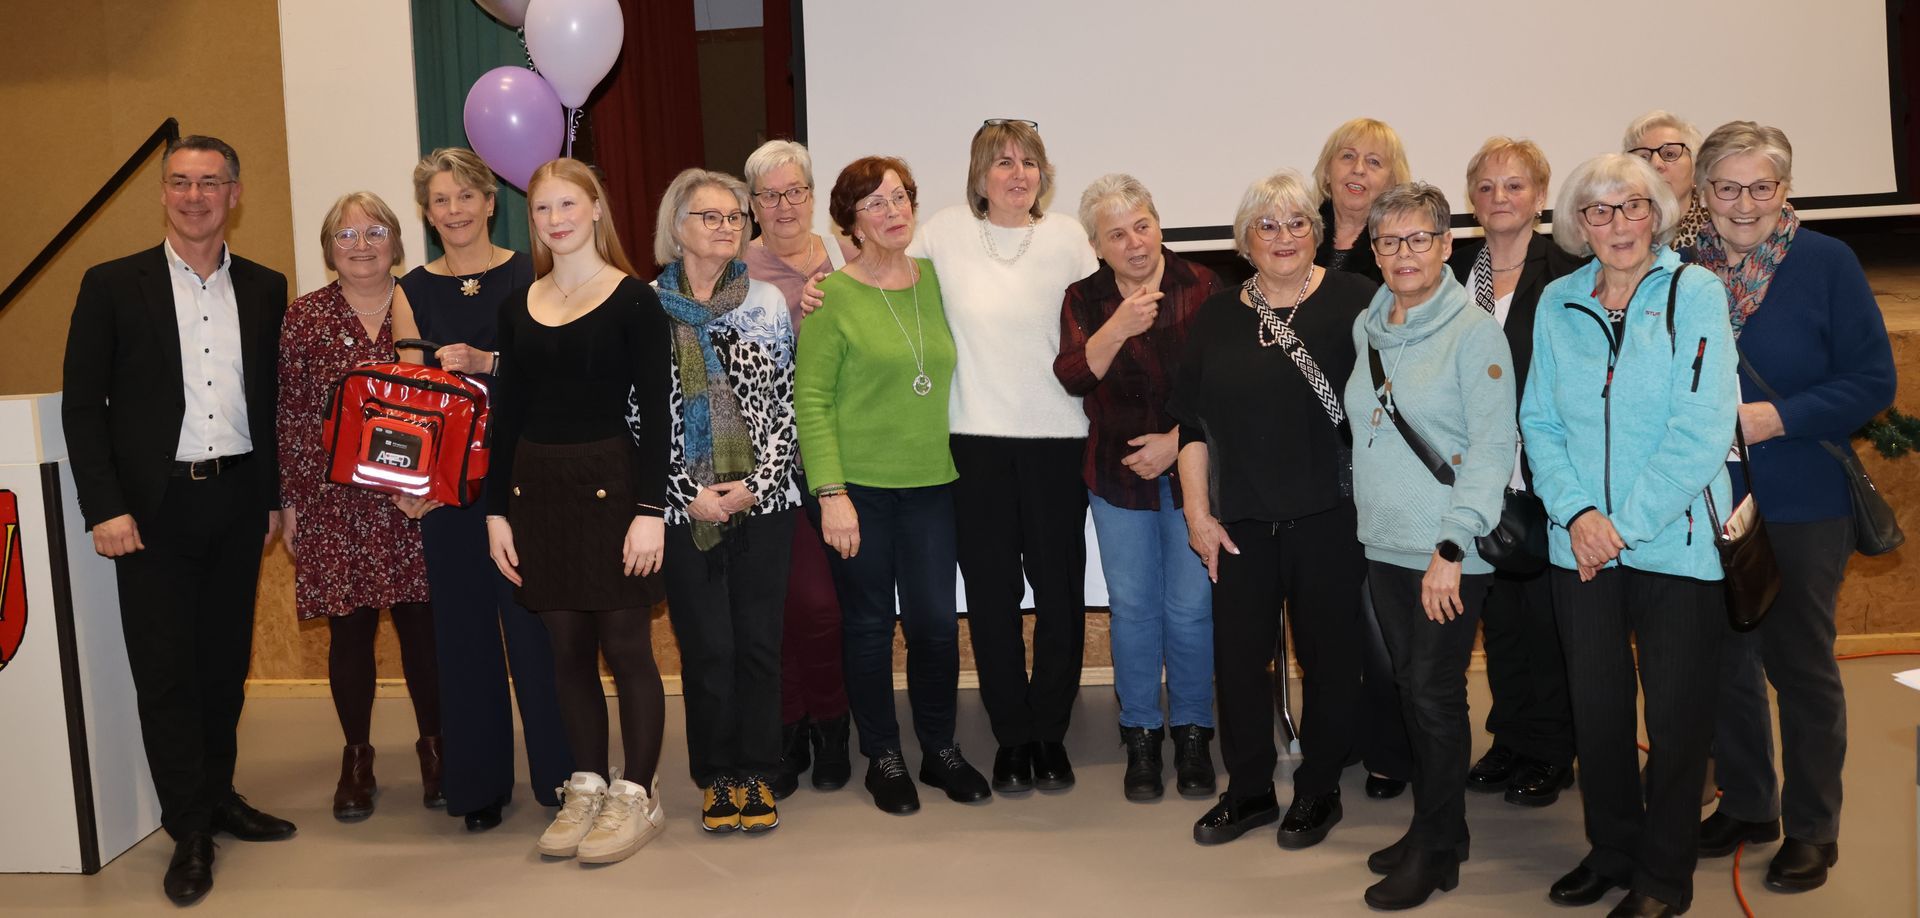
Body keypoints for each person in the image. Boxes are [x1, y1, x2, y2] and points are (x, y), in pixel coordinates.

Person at [61, 133, 296, 905]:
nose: (195, 196)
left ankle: (218, 795)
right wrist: (106, 506)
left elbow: (269, 402)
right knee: (166, 674)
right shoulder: (111, 285)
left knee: (223, 666)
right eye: (181, 182)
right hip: (151, 511)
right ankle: (188, 829)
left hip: (236, 502)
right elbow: (83, 407)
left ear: (235, 194)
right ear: (164, 193)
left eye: (211, 182)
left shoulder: (265, 286)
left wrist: (271, 496)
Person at [1523, 153, 1738, 918]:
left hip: (1675, 542)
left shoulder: (1694, 292)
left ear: (1657, 214)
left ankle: (1663, 879)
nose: (1618, 224)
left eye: (1633, 206)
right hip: (1578, 546)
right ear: (1579, 224)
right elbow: (1539, 420)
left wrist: (1621, 526)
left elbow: (1701, 429)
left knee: (1677, 721)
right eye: (1599, 210)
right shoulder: (1556, 301)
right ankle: (1612, 849)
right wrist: (1578, 514)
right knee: (1599, 712)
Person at [1689, 122, 1897, 894]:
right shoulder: (1680, 268)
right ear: (1703, 193)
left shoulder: (1825, 262)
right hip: (1708, 500)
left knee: (1800, 667)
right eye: (1728, 188)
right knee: (1722, 662)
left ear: (1785, 190)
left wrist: (1776, 418)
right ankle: (1749, 804)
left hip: (1805, 499)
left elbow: (1873, 381)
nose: (1744, 204)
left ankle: (1813, 829)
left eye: (1761, 187)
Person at [1167, 169, 1373, 851]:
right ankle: (1249, 789)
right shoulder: (1218, 315)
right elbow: (1192, 426)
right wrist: (1197, 515)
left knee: (1330, 659)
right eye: (1267, 225)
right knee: (1238, 662)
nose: (1283, 237)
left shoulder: (1357, 301)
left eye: (1297, 223)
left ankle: (1318, 789)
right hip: (1240, 525)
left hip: (1331, 516)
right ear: (1245, 240)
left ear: (1317, 232)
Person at [485, 158, 672, 865]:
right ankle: (588, 784)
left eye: (568, 204)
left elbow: (659, 416)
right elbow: (506, 418)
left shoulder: (634, 300)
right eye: (542, 209)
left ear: (595, 209)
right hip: (537, 492)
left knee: (626, 649)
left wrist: (650, 510)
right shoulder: (516, 306)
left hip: (611, 488)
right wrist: (495, 513)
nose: (556, 219)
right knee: (565, 650)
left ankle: (639, 793)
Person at [908, 119, 1098, 793]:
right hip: (974, 444)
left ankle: (1050, 732)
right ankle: (1012, 735)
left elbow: (1105, 323)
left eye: (1029, 162)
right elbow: (885, 284)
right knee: (992, 597)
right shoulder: (943, 232)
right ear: (980, 175)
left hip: (1059, 441)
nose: (1019, 174)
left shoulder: (1069, 237)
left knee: (1060, 595)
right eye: (1004, 163)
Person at [795, 155, 990, 814]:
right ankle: (882, 754)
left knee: (935, 625)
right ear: (850, 223)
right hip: (858, 491)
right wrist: (831, 495)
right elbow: (812, 402)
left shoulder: (937, 281)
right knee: (870, 627)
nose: (893, 210)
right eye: (874, 202)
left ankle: (939, 749)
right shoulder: (831, 298)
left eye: (901, 196)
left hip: (932, 484)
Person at [1343, 182, 1517, 910]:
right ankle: (1436, 828)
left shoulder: (1473, 332)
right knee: (1411, 692)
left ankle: (1438, 852)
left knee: (1434, 696)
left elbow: (1493, 447)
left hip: (1447, 552)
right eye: (1389, 241)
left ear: (1447, 246)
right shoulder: (1369, 326)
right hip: (1384, 544)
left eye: (1419, 239)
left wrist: (1451, 546)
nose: (1403, 253)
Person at [395, 147, 573, 832]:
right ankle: (477, 787)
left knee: (538, 628)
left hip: (529, 477)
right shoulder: (412, 290)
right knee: (463, 635)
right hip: (449, 489)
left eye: (466, 196)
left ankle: (564, 777)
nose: (455, 210)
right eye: (440, 200)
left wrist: (488, 362)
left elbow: (555, 371)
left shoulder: (534, 272)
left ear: (491, 202)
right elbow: (408, 402)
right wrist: (415, 482)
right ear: (426, 212)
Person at [275, 192, 442, 822]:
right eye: (346, 235)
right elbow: (291, 415)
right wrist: (292, 504)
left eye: (375, 232)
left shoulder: (424, 302)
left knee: (423, 631)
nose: (362, 245)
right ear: (328, 249)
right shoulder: (305, 317)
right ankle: (356, 758)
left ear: (396, 241)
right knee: (349, 634)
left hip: (415, 503)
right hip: (334, 503)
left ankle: (437, 750)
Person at [1054, 174, 1220, 802]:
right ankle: (1142, 733)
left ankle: (1194, 731)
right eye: (1117, 234)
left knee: (1191, 608)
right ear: (1097, 246)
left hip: (1193, 468)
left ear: (1159, 223)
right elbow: (1075, 374)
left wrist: (1175, 441)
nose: (1135, 243)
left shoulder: (1201, 285)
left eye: (1142, 226)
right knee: (1132, 610)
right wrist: (1119, 325)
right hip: (1115, 478)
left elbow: (1226, 382)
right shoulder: (1084, 297)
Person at [651, 167, 802, 834]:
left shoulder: (765, 301)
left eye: (734, 217)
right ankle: (717, 776)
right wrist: (688, 494)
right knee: (708, 648)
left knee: (759, 644)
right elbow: (637, 419)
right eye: (709, 216)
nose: (725, 227)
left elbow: (786, 404)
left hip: (764, 503)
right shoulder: (644, 307)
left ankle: (759, 771)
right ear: (677, 227)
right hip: (684, 509)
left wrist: (756, 485)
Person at [1445, 137, 1584, 807]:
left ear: (1541, 196)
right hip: (1478, 475)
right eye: (1487, 186)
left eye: (1515, 185)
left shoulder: (1568, 270)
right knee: (1497, 619)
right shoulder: (1452, 274)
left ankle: (1552, 751)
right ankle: (1510, 738)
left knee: (1545, 621)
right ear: (1472, 200)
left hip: (1546, 471)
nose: (1500, 197)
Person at [739, 139, 854, 797]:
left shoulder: (845, 255)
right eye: (769, 195)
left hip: (844, 460)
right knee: (789, 607)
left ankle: (832, 724)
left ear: (812, 196)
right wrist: (793, 314)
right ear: (753, 205)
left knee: (832, 611)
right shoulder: (736, 267)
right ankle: (790, 729)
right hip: (771, 468)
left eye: (795, 192)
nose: (784, 206)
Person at [1312, 117, 1412, 284]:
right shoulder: (1299, 236)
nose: (1358, 169)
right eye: (1348, 156)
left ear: (1392, 182)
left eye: (1373, 161)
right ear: (1327, 171)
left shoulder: (1402, 247)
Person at [1623, 110, 1709, 252]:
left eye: (1669, 154)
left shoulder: (1719, 230)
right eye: (1644, 157)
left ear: (1695, 167)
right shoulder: (1618, 228)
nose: (1656, 164)